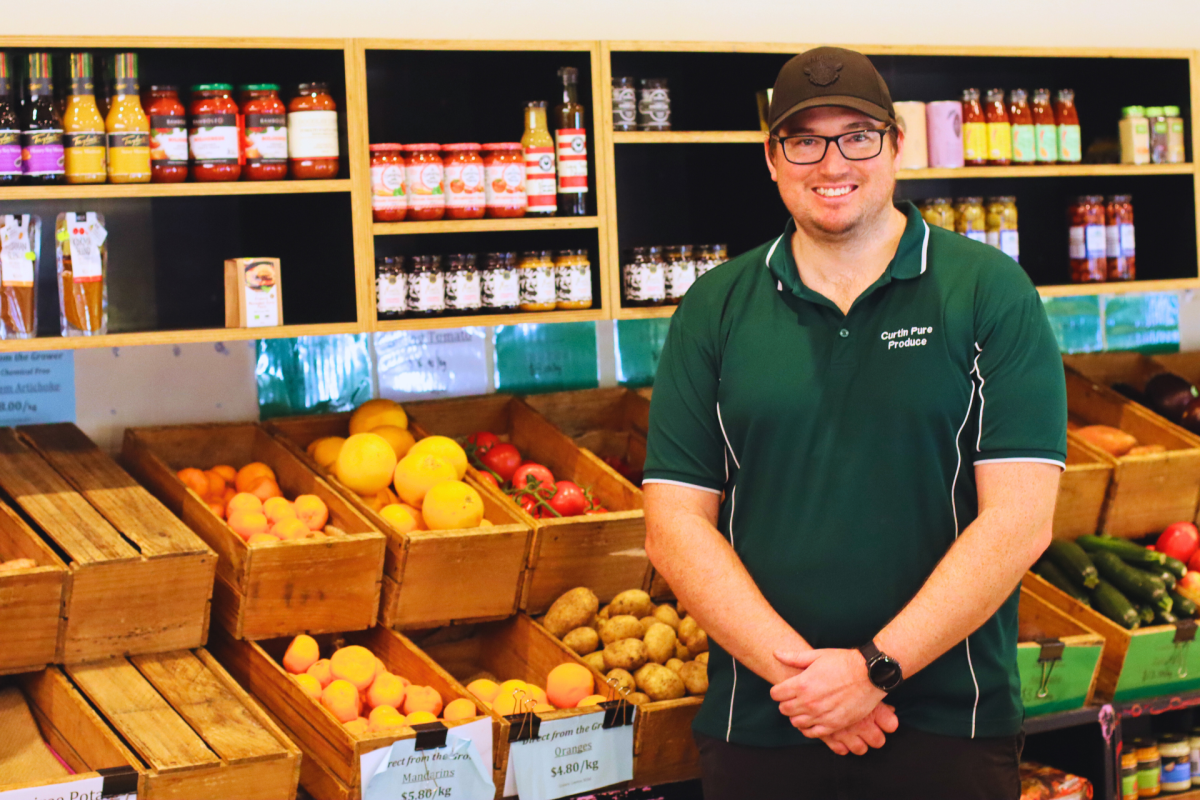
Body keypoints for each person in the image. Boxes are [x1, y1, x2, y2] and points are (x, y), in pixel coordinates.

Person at [641, 46, 1066, 800]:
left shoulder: (990, 292)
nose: (830, 162)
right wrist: (809, 685)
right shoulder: (714, 307)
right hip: (767, 720)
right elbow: (674, 526)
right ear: (772, 159)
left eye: (857, 136)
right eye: (803, 140)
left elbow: (1020, 522)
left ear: (897, 146)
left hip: (948, 723)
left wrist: (874, 668)